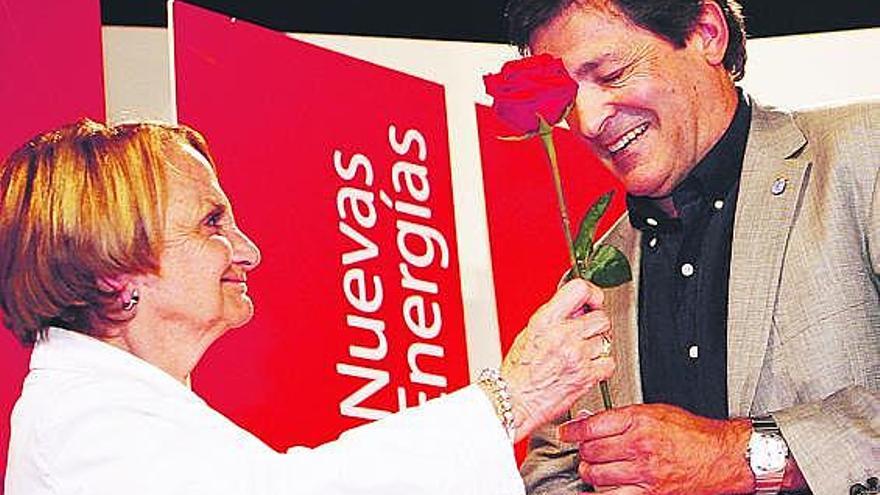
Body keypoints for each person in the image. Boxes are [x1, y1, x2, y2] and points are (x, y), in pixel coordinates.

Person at [0, 120, 617, 495]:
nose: (250, 251)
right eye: (212, 222)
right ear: (113, 274)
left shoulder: (113, 410)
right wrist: (512, 398)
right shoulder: (86, 430)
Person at [502, 0, 879, 494]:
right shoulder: (589, 282)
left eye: (611, 74)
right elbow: (552, 473)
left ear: (707, 33)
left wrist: (739, 456)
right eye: (569, 99)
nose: (588, 122)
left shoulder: (864, 153)